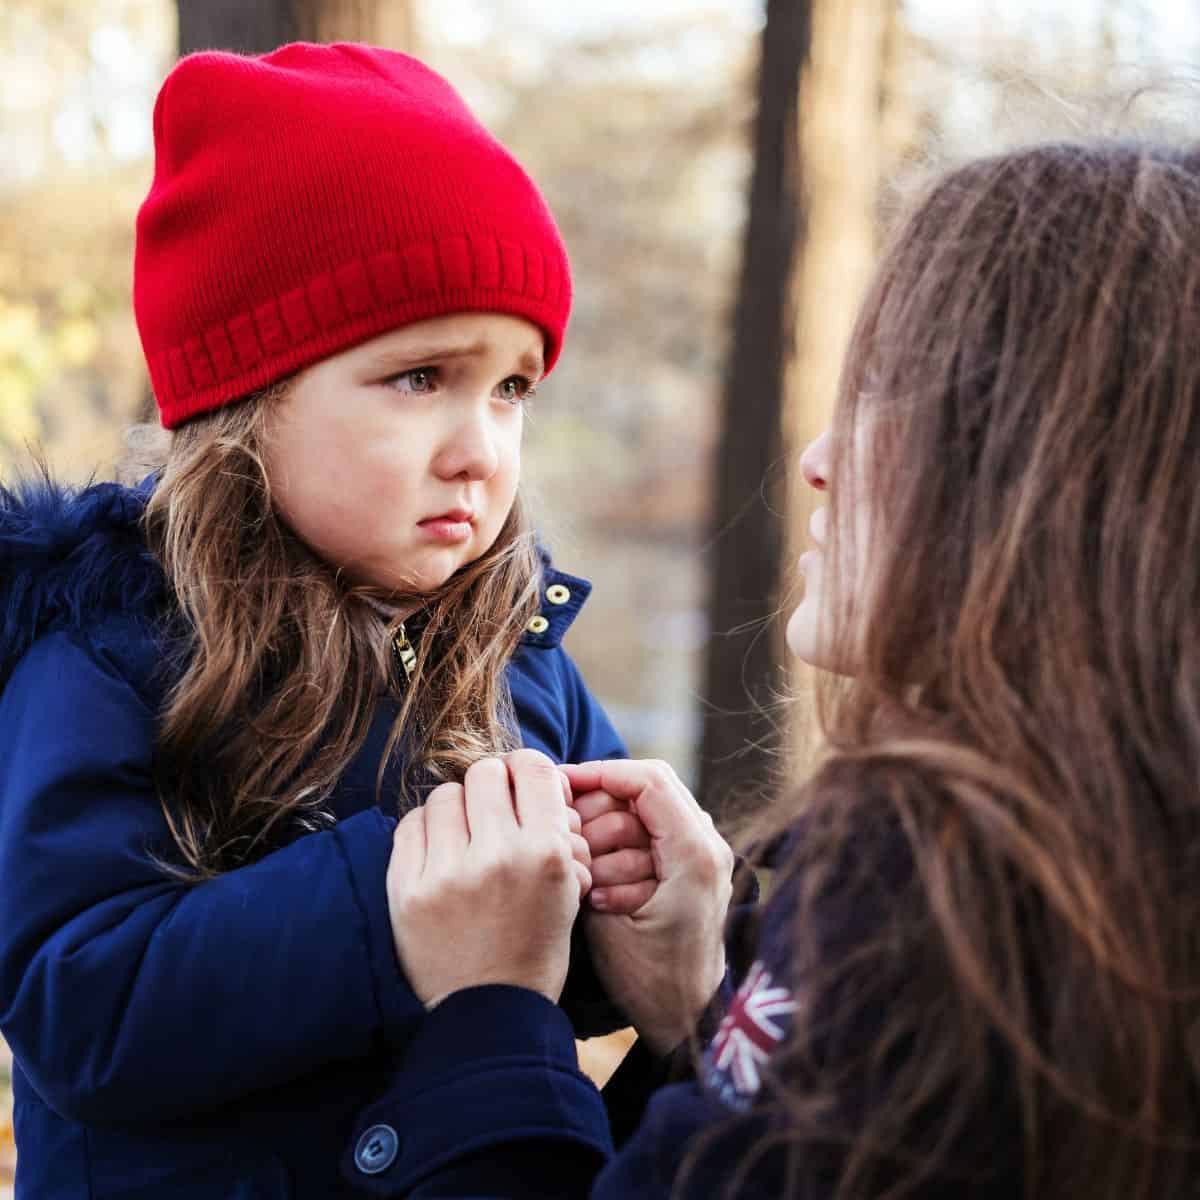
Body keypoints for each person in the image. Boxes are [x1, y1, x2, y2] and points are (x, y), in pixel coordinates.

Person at [338, 138, 1200, 1199]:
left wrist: (491, 1011)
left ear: (1057, 476)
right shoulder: (1117, 868)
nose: (819, 458)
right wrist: (703, 1011)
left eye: (897, 398)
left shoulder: (949, 895)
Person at [0, 43, 658, 1199]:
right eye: (421, 379)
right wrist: (390, 907)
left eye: (512, 388)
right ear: (247, 400)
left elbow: (554, 964)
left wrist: (629, 898)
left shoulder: (517, 656)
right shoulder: (112, 656)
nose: (481, 448)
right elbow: (77, 1005)